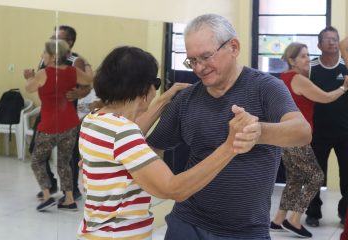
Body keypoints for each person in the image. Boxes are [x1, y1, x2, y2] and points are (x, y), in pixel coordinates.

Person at [146, 14, 312, 239]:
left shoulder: (266, 88)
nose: (199, 68)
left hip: (246, 230)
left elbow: (302, 132)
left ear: (233, 47)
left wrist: (259, 132)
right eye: (192, 60)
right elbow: (152, 149)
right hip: (188, 222)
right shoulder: (186, 100)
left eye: (205, 57)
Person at [76, 45, 262, 239]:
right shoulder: (122, 133)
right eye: (155, 83)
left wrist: (164, 99)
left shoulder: (94, 120)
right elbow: (173, 188)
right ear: (143, 88)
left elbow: (129, 140)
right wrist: (231, 145)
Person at [271, 42, 348, 237]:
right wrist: (344, 88)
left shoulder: (284, 77)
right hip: (297, 136)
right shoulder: (298, 79)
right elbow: (325, 97)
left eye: (307, 55)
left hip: (287, 136)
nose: (308, 59)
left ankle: (278, 220)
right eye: (303, 56)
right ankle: (294, 220)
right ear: (292, 60)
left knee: (295, 180)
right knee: (316, 177)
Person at [26, 25, 94, 203]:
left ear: (69, 42)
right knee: (35, 149)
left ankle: (71, 192)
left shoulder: (75, 60)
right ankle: (50, 184)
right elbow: (42, 80)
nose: (52, 39)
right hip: (47, 111)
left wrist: (80, 93)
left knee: (68, 157)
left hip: (67, 112)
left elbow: (88, 85)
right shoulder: (47, 56)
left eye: (58, 37)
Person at [305, 27, 348, 227]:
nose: (332, 42)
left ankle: (344, 214)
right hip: (318, 133)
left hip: (345, 133)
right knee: (315, 176)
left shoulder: (346, 66)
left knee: (346, 177)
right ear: (319, 45)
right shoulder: (310, 68)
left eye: (335, 39)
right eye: (327, 39)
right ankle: (313, 214)